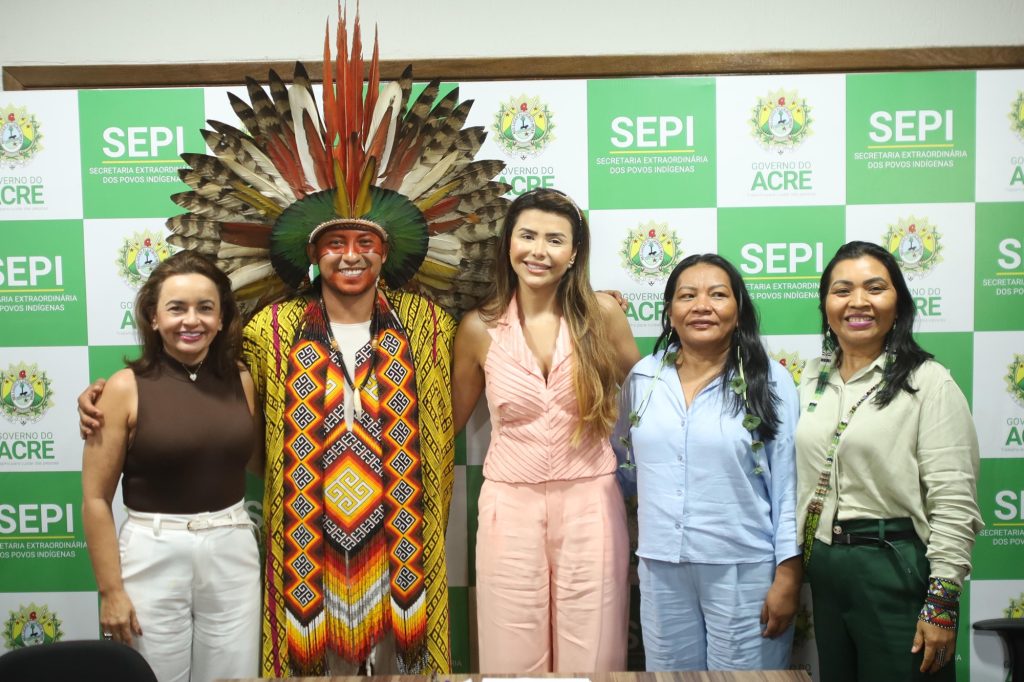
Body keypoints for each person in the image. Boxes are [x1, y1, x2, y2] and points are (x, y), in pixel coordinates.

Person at [78, 17, 511, 676]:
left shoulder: (427, 323)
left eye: (365, 243)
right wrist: (105, 396)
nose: (350, 255)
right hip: (306, 541)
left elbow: (447, 414)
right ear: (314, 255)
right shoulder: (269, 330)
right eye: (335, 243)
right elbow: (210, 386)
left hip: (401, 537)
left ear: (386, 253)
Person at [451, 187, 640, 673]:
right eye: (528, 236)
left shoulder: (603, 316)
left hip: (591, 504)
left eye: (555, 240)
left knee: (594, 657)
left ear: (574, 253)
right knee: (511, 661)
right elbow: (445, 423)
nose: (539, 251)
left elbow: (648, 401)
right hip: (509, 508)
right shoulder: (478, 328)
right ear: (508, 244)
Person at [796, 241, 982, 681]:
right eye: (842, 290)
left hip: (894, 566)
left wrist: (941, 602)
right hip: (826, 569)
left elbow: (954, 500)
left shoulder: (928, 382)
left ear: (898, 304)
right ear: (825, 306)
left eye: (875, 288)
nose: (858, 301)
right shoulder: (812, 377)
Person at [612, 253, 801, 671]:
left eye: (717, 295)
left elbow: (789, 487)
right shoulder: (643, 379)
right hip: (662, 568)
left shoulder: (770, 380)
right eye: (687, 296)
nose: (702, 306)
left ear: (739, 309)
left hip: (744, 568)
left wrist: (788, 575)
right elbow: (623, 466)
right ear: (669, 311)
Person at [82, 250, 260, 682]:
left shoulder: (242, 379)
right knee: (153, 676)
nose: (191, 320)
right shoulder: (124, 388)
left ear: (221, 318)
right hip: (152, 552)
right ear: (154, 316)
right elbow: (95, 499)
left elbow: (260, 461)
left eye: (205, 308)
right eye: (176, 308)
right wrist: (111, 591)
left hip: (233, 548)